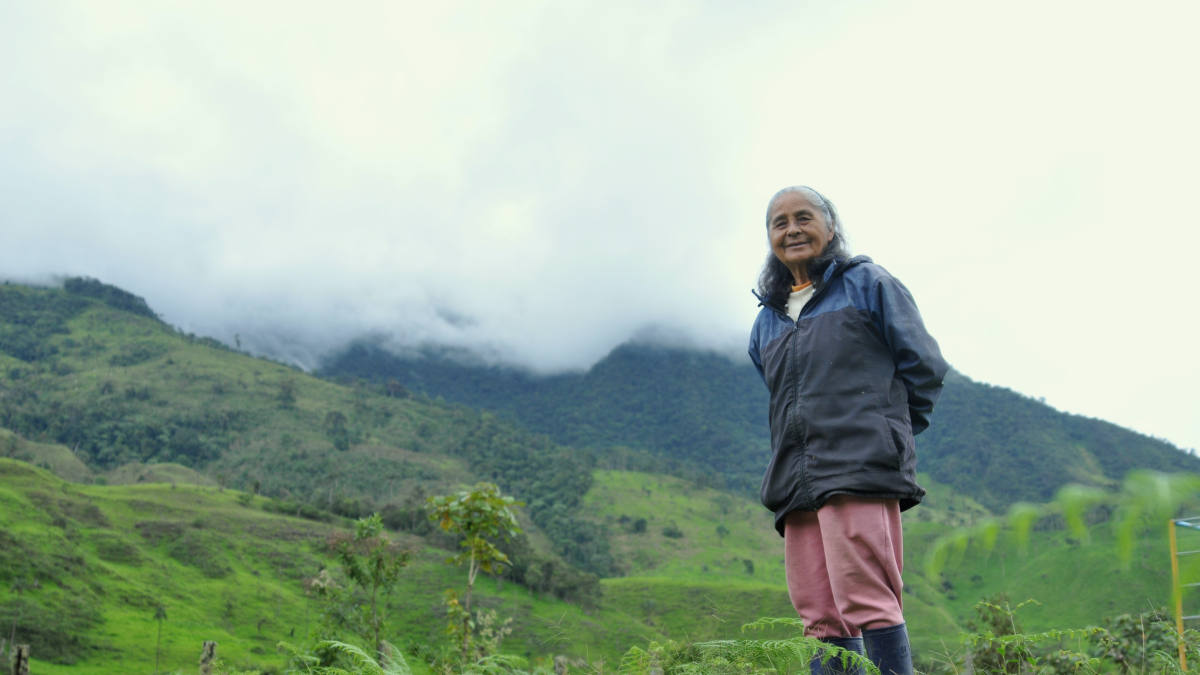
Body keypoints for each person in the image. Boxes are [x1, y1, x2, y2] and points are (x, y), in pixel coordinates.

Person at [748, 186, 948, 675]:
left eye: (803, 217)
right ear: (770, 238)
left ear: (830, 227)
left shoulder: (869, 285)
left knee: (869, 599)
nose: (792, 229)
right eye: (779, 222)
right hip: (796, 482)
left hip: (859, 467)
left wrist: (887, 432)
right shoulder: (766, 321)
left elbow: (925, 368)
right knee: (819, 614)